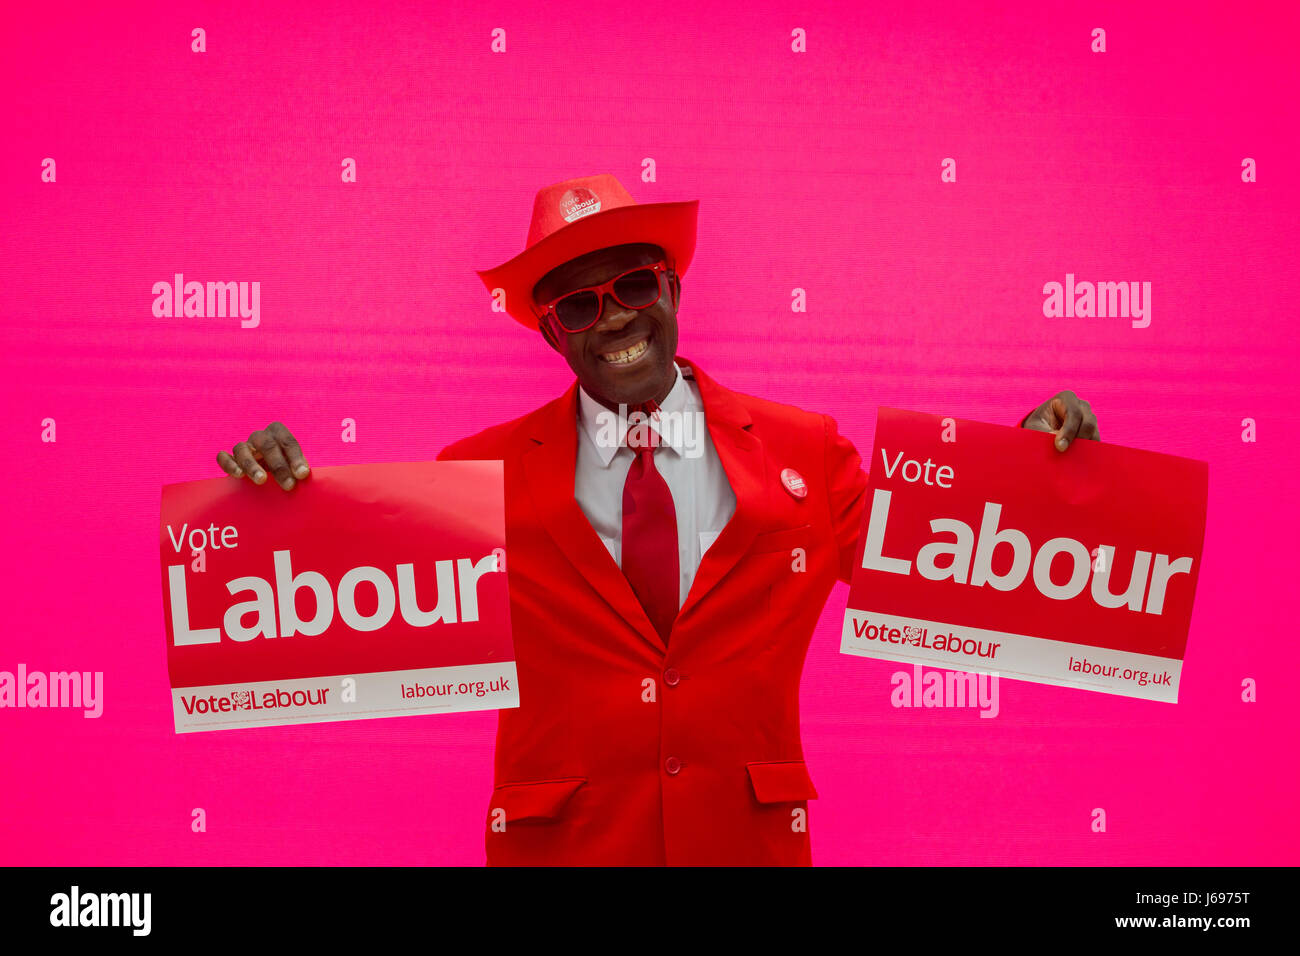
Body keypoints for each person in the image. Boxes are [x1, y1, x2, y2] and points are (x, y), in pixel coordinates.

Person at [214, 173, 1100, 865]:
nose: (615, 318)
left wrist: (1022, 473)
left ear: (673, 286)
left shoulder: (807, 453)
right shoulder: (472, 477)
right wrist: (277, 506)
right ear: (551, 334)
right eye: (577, 304)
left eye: (635, 283)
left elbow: (947, 571)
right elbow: (347, 601)